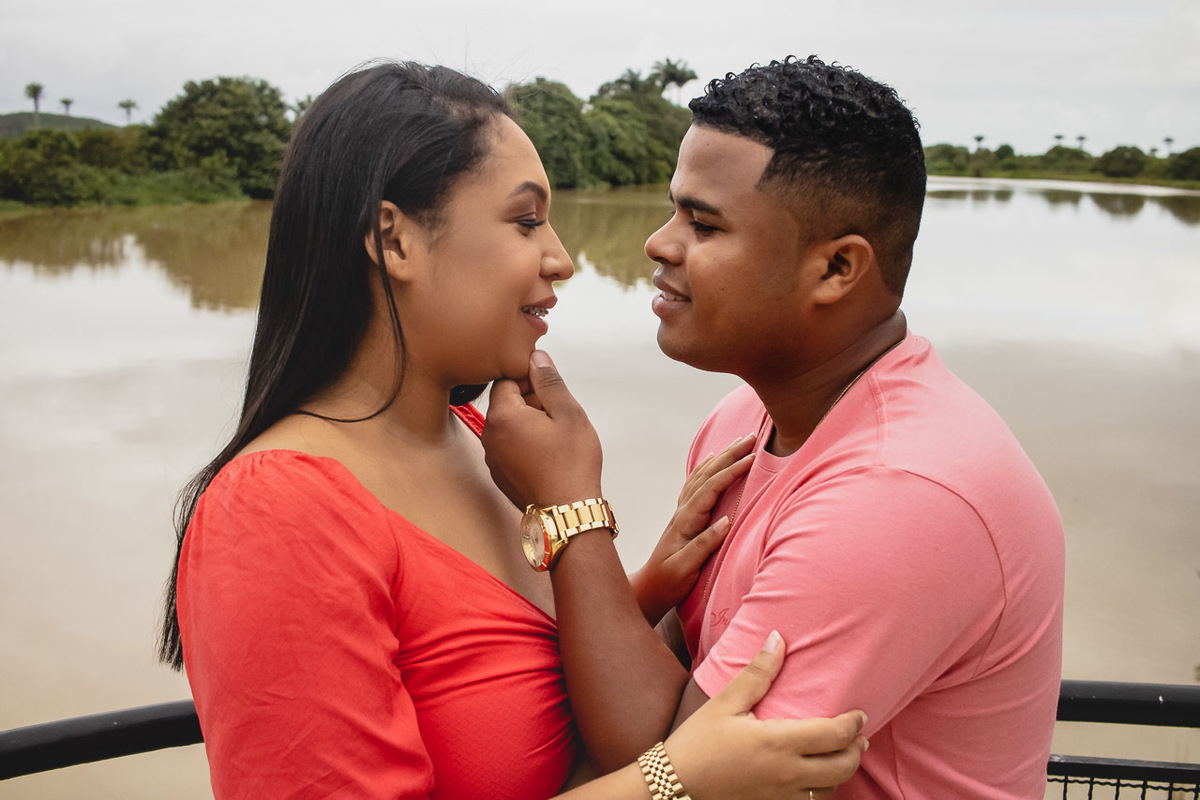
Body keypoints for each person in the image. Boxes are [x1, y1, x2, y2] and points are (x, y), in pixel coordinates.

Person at [156, 61, 868, 800]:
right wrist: (673, 783)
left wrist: (643, 586)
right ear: (394, 240)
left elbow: (484, 654)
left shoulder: (481, 436)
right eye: (527, 221)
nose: (561, 257)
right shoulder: (278, 513)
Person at [482, 56, 1066, 798]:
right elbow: (669, 676)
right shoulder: (748, 417)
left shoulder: (899, 495)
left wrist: (571, 509)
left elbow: (662, 763)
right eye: (672, 210)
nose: (660, 244)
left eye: (703, 223)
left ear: (835, 270)